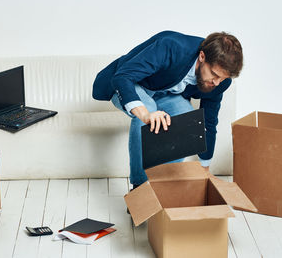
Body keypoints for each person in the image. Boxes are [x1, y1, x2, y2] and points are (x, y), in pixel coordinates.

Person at [92, 30, 243, 189]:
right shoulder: (171, 46)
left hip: (164, 93)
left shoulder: (220, 83)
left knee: (190, 121)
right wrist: (146, 114)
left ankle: (161, 183)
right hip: (128, 84)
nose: (217, 82)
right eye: (214, 74)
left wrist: (205, 168)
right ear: (202, 56)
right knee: (148, 109)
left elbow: (208, 122)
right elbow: (123, 77)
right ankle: (140, 188)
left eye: (223, 78)